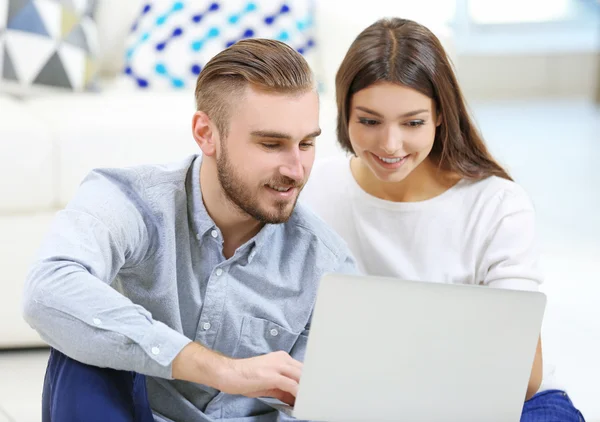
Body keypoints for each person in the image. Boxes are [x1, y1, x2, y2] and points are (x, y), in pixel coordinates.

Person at [22, 38, 356, 422]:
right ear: (206, 133)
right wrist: (221, 369)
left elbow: (322, 406)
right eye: (271, 144)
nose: (296, 170)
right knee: (78, 342)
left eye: (307, 144)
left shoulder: (325, 265)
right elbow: (47, 288)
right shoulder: (131, 201)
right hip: (130, 412)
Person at [301, 18, 586, 422]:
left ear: (439, 115)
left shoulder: (497, 204)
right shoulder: (314, 190)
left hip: (502, 401)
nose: (390, 145)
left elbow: (524, 376)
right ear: (344, 112)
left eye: (412, 122)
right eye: (369, 121)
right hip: (363, 396)